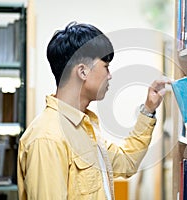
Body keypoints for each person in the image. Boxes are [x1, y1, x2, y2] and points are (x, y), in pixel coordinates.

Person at [17, 22, 168, 200]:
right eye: (106, 66)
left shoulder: (84, 128)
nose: (109, 75)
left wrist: (149, 109)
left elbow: (127, 162)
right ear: (82, 71)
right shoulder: (47, 138)